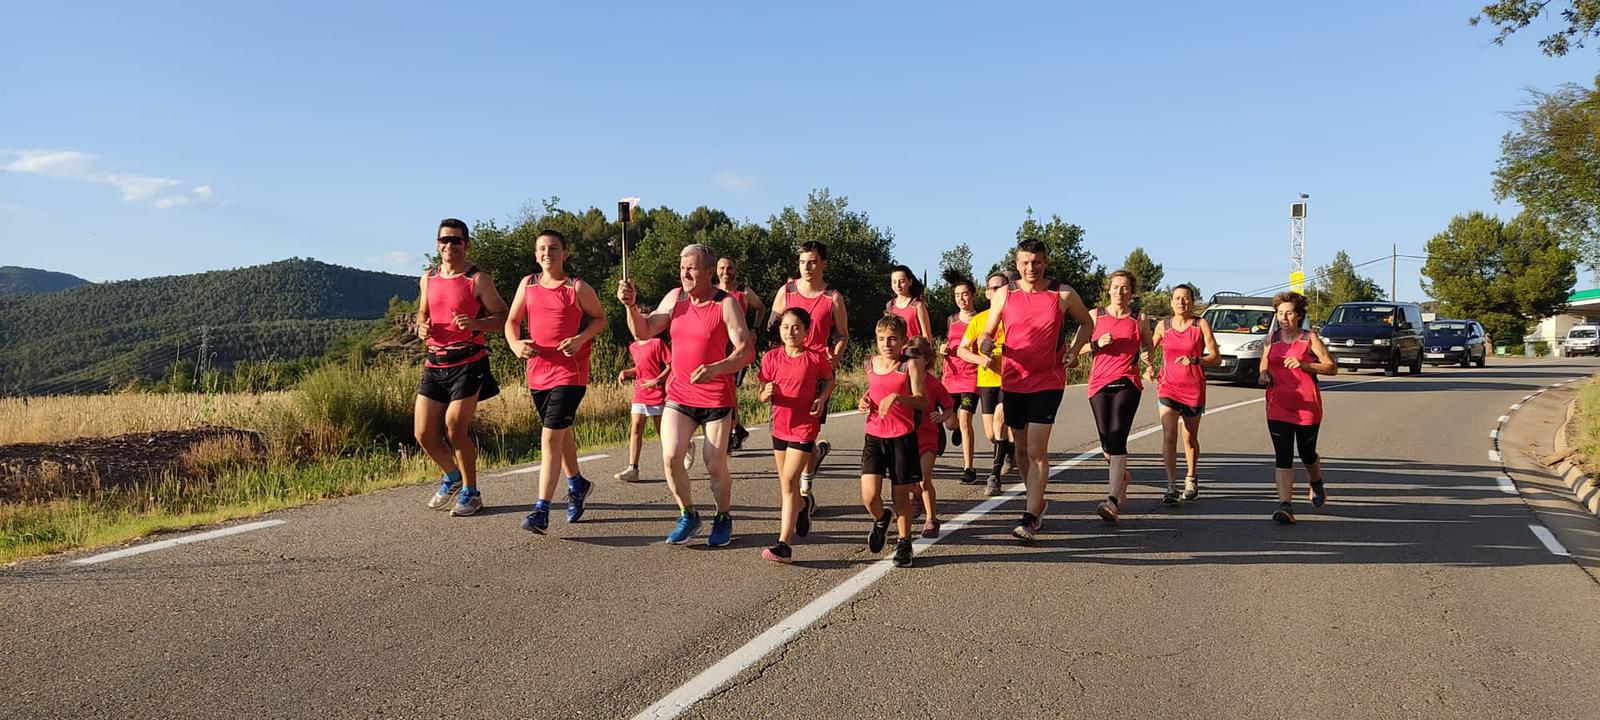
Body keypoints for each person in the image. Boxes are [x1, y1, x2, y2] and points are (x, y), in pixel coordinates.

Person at [618, 244, 754, 545]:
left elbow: (746, 352)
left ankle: (722, 517)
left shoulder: (725, 304)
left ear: (708, 273)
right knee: (670, 457)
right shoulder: (675, 298)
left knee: (714, 463)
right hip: (679, 395)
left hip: (716, 398)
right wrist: (630, 306)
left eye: (691, 268)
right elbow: (644, 331)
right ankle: (688, 514)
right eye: (682, 268)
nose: (685, 273)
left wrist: (718, 367)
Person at [977, 241, 1096, 543]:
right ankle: (1037, 501)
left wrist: (1073, 350)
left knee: (1036, 449)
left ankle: (1030, 517)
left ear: (1046, 263)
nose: (1031, 268)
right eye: (1026, 263)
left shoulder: (1063, 293)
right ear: (1017, 264)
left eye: (1037, 262)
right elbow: (986, 333)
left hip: (1048, 380)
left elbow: (1087, 323)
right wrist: (985, 343)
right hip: (1014, 379)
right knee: (1019, 450)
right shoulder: (1005, 294)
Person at [505, 229, 608, 533]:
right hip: (537, 371)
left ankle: (541, 509)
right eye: (541, 249)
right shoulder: (528, 284)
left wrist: (580, 338)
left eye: (553, 248)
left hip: (570, 373)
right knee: (561, 435)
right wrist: (515, 344)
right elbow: (511, 321)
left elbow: (600, 318)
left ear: (565, 253)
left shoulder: (576, 288)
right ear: (536, 254)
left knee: (550, 437)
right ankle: (577, 483)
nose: (547, 253)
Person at [418, 218, 509, 517]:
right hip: (436, 361)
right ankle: (453, 477)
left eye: (456, 240)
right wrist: (421, 327)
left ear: (466, 245)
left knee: (455, 427)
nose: (449, 245)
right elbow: (422, 314)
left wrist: (476, 324)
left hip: (469, 360)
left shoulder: (477, 279)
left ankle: (472, 493)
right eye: (444, 239)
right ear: (437, 244)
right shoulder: (428, 278)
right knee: (423, 434)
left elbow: (503, 317)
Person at [767, 241, 849, 512]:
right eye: (803, 262)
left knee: (806, 434)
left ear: (823, 264)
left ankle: (805, 491)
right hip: (787, 369)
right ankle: (814, 460)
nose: (807, 267)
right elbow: (773, 325)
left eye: (813, 262)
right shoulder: (787, 291)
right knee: (791, 433)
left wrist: (833, 357)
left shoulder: (832, 297)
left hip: (816, 372)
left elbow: (841, 334)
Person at [756, 307, 836, 563]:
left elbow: (830, 379)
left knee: (789, 482)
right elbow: (761, 391)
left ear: (806, 332)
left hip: (804, 427)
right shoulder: (770, 358)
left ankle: (784, 545)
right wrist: (764, 394)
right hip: (779, 426)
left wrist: (822, 399)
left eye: (796, 328)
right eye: (785, 327)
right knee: (786, 485)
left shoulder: (815, 358)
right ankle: (802, 507)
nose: (790, 332)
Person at [1258, 291, 1336, 524]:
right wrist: (1264, 375)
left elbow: (1331, 367)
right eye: (1280, 313)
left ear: (1299, 315)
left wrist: (1304, 365)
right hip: (1277, 405)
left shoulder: (1309, 338)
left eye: (1289, 313)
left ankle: (1316, 481)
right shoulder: (1271, 339)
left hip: (1307, 407)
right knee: (1283, 456)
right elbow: (1264, 365)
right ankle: (1286, 506)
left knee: (1307, 453)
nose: (1284, 318)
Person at [1085, 270, 1157, 524]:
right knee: (1106, 442)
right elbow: (1078, 347)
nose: (1120, 292)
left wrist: (1148, 358)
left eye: (1125, 288)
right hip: (1098, 384)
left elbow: (1148, 344)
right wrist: (1096, 345)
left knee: (1117, 437)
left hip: (1128, 381)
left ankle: (1112, 500)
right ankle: (1122, 477)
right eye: (1116, 287)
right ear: (1109, 289)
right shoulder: (1095, 316)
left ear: (1131, 292)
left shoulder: (1139, 318)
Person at [856, 315, 927, 568]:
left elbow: (921, 400)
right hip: (875, 435)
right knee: (869, 496)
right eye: (882, 339)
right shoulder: (870, 363)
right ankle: (881, 518)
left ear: (903, 340)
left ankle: (904, 542)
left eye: (893, 339)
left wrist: (899, 397)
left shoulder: (910, 364)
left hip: (902, 436)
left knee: (900, 496)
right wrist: (864, 400)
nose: (887, 344)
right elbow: (873, 390)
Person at [1150, 284, 1220, 503]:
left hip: (1193, 388)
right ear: (1171, 302)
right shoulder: (1164, 325)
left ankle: (1191, 478)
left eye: (1186, 298)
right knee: (1169, 436)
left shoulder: (1201, 325)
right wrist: (1148, 366)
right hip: (1167, 386)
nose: (1181, 302)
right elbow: (1149, 350)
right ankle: (1171, 486)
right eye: (1177, 298)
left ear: (1192, 301)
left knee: (1189, 438)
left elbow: (1216, 357)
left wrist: (1196, 359)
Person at [958, 271, 1017, 496]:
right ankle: (1008, 450)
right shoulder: (979, 319)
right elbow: (962, 349)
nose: (997, 291)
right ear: (986, 293)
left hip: (1011, 379)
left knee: (1001, 422)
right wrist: (980, 359)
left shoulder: (1015, 317)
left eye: (1002, 287)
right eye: (993, 288)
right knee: (992, 434)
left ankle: (994, 476)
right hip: (986, 380)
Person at [906, 336, 957, 539]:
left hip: (928, 438)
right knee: (906, 481)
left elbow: (949, 406)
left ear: (926, 360)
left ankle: (931, 519)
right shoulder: (901, 379)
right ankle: (917, 497)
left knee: (925, 480)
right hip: (906, 437)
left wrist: (942, 416)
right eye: (907, 356)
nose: (910, 361)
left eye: (915, 356)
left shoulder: (933, 384)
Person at [717, 257, 766, 452]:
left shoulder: (743, 291)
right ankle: (736, 428)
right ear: (716, 270)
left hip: (738, 350)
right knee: (723, 389)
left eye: (729, 268)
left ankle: (730, 432)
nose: (725, 272)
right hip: (718, 348)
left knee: (730, 390)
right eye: (722, 268)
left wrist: (754, 329)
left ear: (735, 270)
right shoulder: (713, 292)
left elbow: (761, 308)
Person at [939, 269, 981, 485]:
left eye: (965, 294)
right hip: (950, 377)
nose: (961, 299)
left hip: (971, 377)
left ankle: (969, 468)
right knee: (951, 423)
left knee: (965, 420)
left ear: (973, 295)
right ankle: (955, 429)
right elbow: (948, 342)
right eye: (957, 296)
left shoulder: (982, 319)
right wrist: (943, 348)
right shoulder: (951, 320)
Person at [615, 335, 671, 484]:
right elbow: (640, 368)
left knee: (663, 433)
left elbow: (671, 365)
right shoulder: (633, 346)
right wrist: (627, 372)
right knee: (636, 429)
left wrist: (657, 381)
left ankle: (675, 462)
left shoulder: (657, 343)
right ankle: (633, 469)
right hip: (640, 393)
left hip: (657, 392)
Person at [886, 265, 932, 343]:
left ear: (910, 282)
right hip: (896, 352)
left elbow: (927, 337)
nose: (898, 285)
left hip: (914, 352)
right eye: (894, 282)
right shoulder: (890, 306)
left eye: (902, 282)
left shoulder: (918, 306)